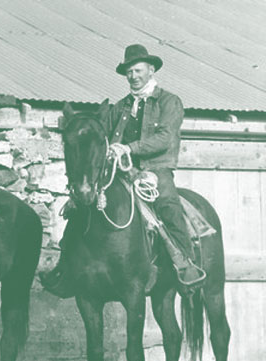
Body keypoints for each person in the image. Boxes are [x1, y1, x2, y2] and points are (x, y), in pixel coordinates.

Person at [41, 44, 205, 297]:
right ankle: (67, 267)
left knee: (169, 207)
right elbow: (100, 134)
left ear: (151, 70)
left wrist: (129, 148)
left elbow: (165, 137)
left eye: (138, 70)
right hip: (121, 171)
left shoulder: (169, 102)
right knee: (79, 208)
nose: (133, 76)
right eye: (129, 72)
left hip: (156, 171)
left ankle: (185, 265)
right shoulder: (119, 107)